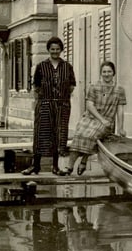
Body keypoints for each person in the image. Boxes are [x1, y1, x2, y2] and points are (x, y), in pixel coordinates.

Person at [22, 36, 76, 175]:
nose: (55, 52)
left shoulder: (67, 67)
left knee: (58, 134)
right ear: (48, 50)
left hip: (62, 105)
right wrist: (43, 98)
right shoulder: (41, 66)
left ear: (61, 50)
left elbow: (72, 85)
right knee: (41, 134)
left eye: (57, 49)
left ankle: (55, 166)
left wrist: (61, 96)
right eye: (52, 49)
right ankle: (36, 165)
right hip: (45, 104)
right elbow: (36, 85)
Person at [63, 61, 126, 176]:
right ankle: (70, 166)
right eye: (104, 72)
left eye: (109, 71)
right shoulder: (94, 87)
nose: (107, 74)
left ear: (114, 73)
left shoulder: (119, 89)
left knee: (92, 135)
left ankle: (83, 161)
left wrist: (121, 128)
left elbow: (120, 109)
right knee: (80, 134)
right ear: (101, 73)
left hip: (107, 121)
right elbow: (89, 106)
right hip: (91, 117)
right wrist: (101, 119)